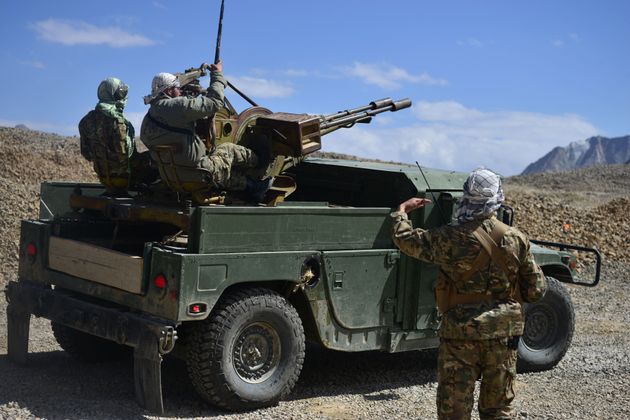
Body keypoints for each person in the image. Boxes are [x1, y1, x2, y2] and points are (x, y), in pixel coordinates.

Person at [390, 167, 546, 419]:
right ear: (497, 197)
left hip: (460, 334)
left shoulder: (449, 238)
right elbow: (536, 290)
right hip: (504, 336)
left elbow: (406, 239)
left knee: (454, 411)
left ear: (467, 196)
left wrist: (401, 213)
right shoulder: (516, 239)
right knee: (497, 410)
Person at [140, 61, 271, 202]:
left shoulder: (148, 119)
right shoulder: (176, 106)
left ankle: (254, 188)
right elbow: (214, 102)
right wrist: (217, 75)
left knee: (220, 172)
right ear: (169, 91)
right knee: (228, 149)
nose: (180, 92)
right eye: (177, 88)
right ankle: (261, 161)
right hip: (199, 173)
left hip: (172, 176)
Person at [79, 77, 156, 195]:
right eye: (120, 92)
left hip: (104, 175)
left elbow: (87, 154)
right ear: (114, 95)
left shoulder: (85, 121)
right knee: (157, 157)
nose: (123, 96)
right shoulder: (119, 122)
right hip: (126, 175)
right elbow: (126, 158)